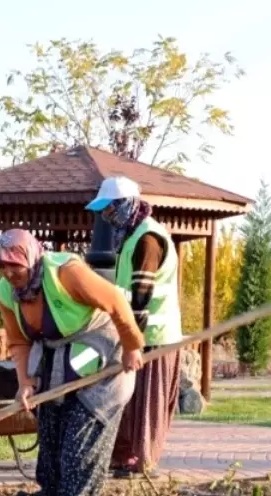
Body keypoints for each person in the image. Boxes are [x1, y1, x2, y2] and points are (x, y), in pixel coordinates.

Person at [0, 228, 144, 496]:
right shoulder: (5, 292)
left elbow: (115, 301)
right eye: (2, 266)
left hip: (100, 346)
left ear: (31, 258)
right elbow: (18, 341)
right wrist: (24, 382)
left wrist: (131, 345)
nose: (9, 273)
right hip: (56, 352)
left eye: (15, 265)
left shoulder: (66, 272)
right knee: (51, 419)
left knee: (83, 420)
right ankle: (51, 491)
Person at [86, 176, 185, 477]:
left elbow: (142, 294)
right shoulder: (130, 236)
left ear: (127, 205)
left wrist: (133, 342)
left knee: (147, 403)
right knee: (127, 397)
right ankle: (123, 456)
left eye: (111, 208)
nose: (107, 216)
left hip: (154, 336)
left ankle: (142, 461)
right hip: (138, 334)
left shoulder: (147, 239)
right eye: (104, 210)